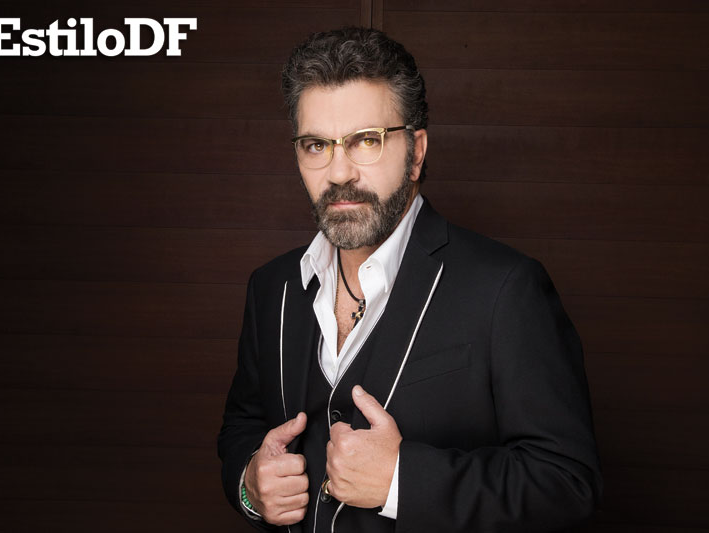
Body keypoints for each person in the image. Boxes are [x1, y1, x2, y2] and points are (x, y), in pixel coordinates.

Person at [218, 27, 602, 532]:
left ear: (416, 152)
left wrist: (403, 480)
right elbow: (243, 426)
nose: (339, 173)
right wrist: (249, 486)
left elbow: (567, 483)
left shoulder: (505, 288)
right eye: (316, 145)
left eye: (366, 141)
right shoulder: (273, 288)